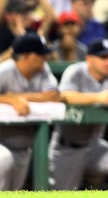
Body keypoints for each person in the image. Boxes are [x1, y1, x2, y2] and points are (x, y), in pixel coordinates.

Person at [48, 38, 108, 190]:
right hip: (67, 149)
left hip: (94, 146)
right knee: (62, 193)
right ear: (89, 59)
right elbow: (64, 96)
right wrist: (97, 97)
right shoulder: (76, 71)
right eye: (103, 57)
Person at [0, 33, 60, 191]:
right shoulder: (4, 71)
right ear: (26, 56)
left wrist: (16, 97)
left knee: (15, 192)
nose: (45, 57)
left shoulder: (43, 70)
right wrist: (10, 100)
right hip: (2, 145)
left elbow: (53, 96)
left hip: (23, 147)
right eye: (40, 54)